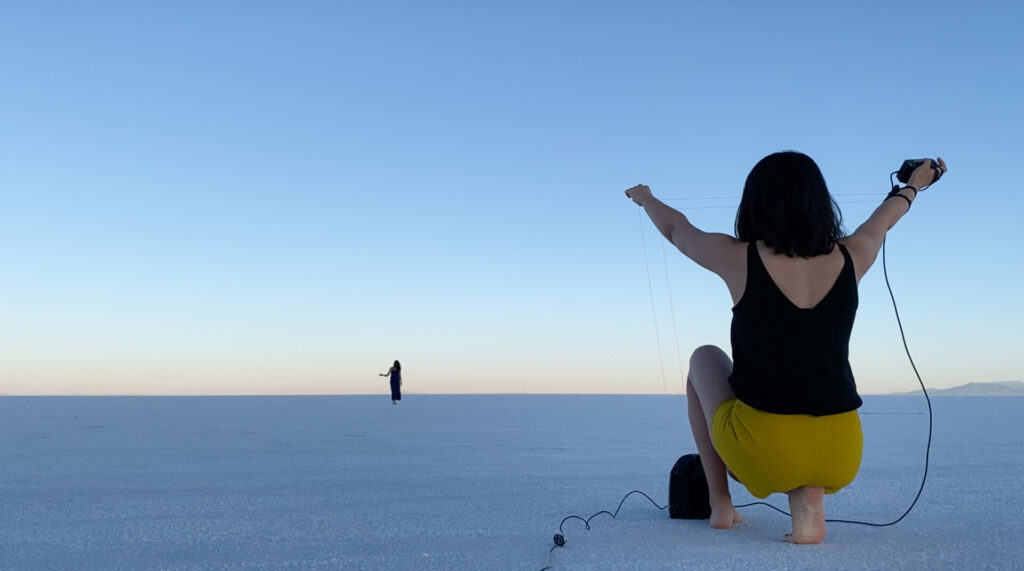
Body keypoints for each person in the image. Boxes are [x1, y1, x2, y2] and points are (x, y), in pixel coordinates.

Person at [625, 152, 946, 544]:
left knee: (702, 358)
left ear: (754, 203)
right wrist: (915, 185)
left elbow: (676, 229)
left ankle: (720, 503)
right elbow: (886, 218)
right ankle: (809, 515)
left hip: (764, 454)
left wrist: (645, 197)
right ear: (820, 201)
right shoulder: (854, 253)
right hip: (841, 449)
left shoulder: (738, 257)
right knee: (804, 408)